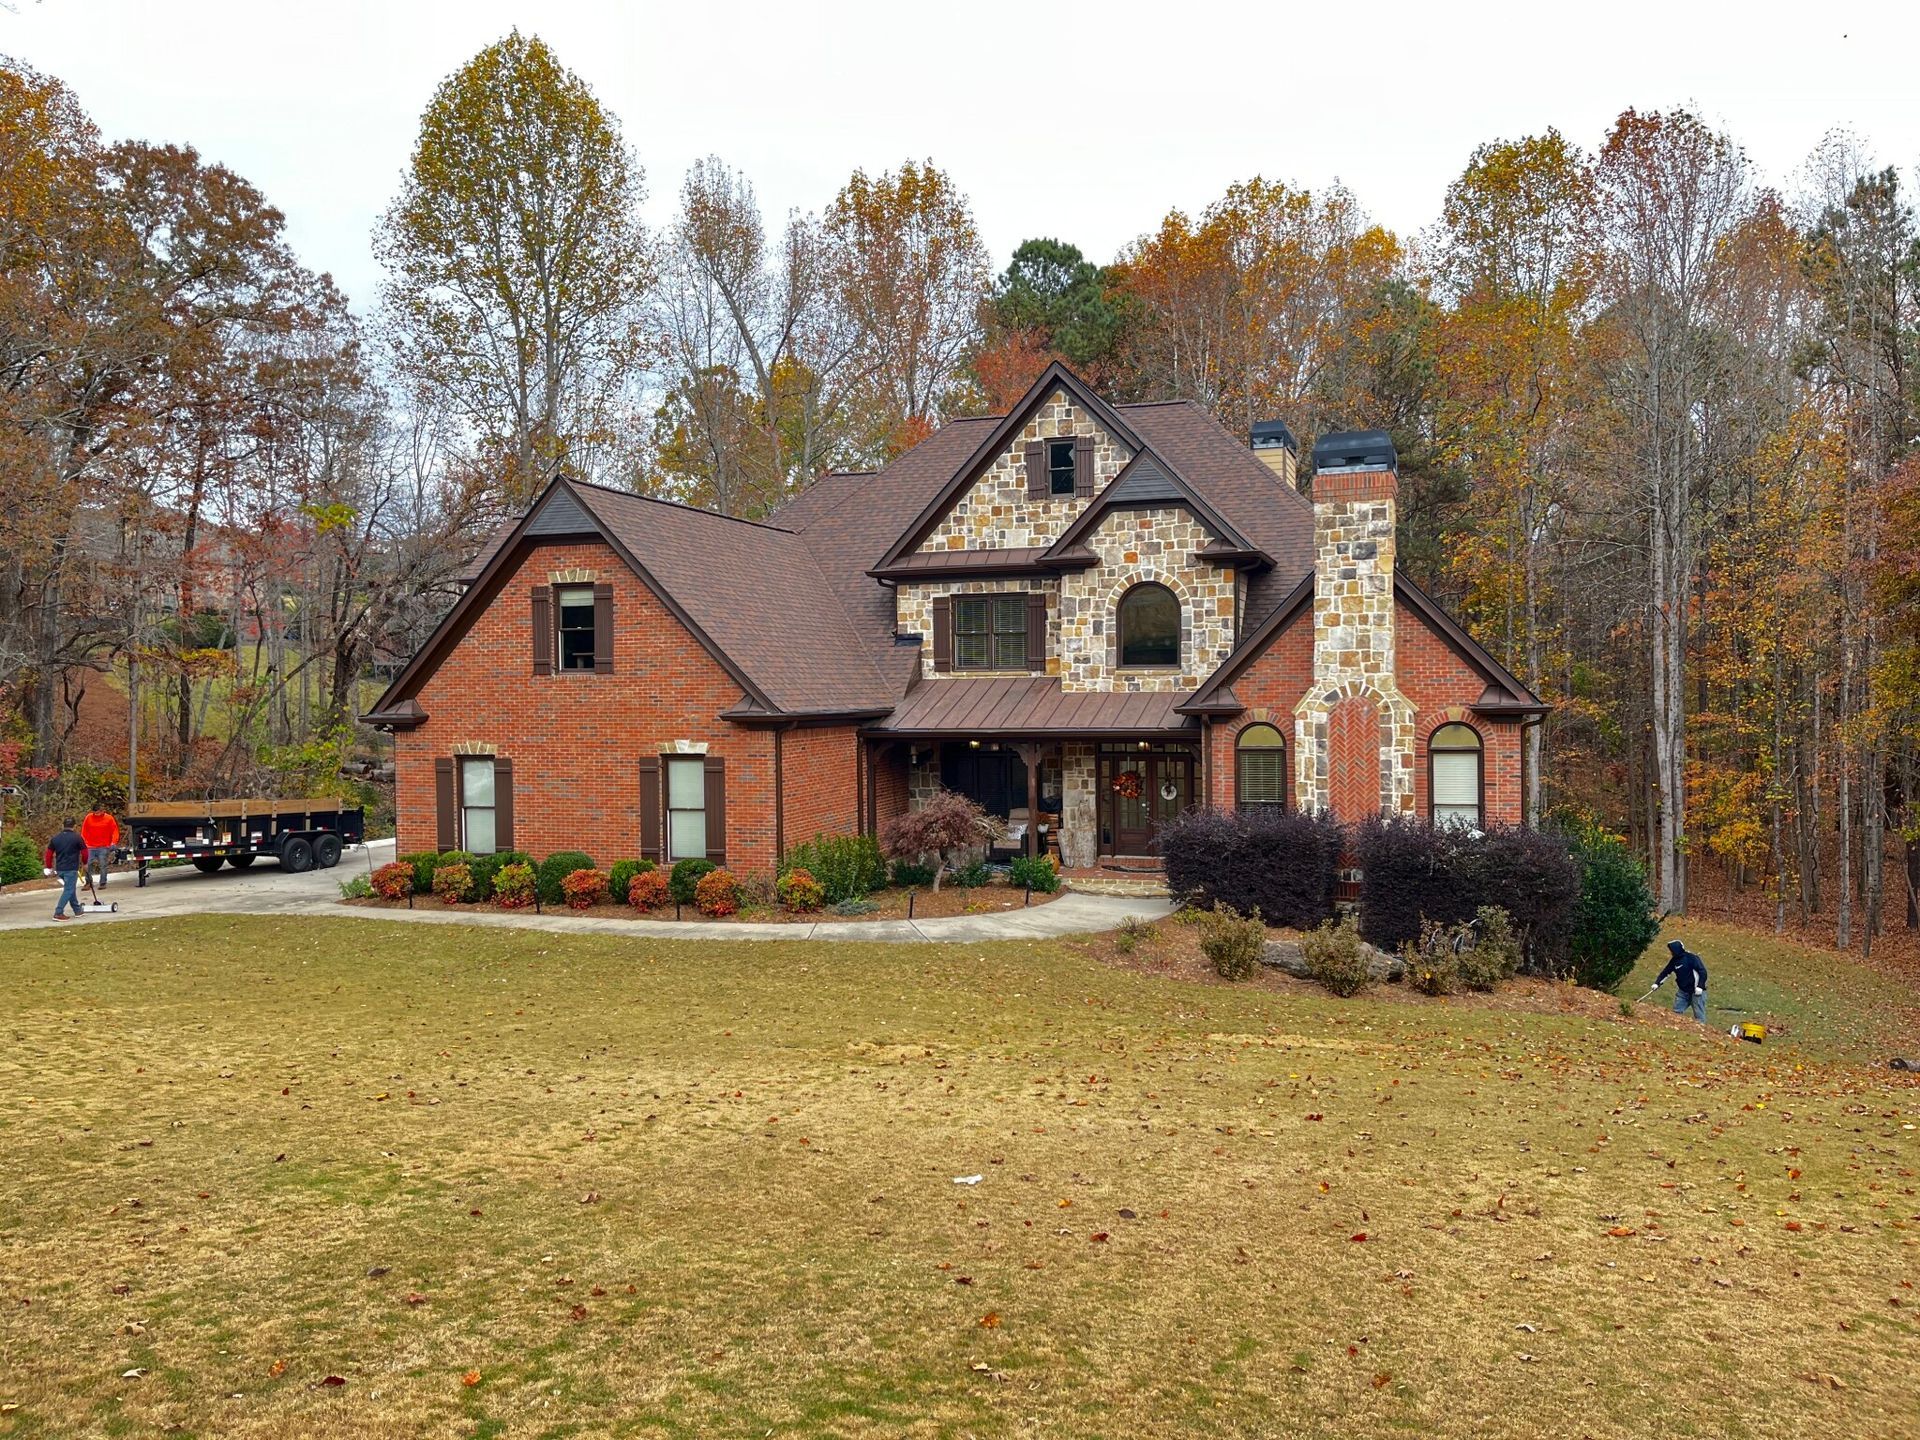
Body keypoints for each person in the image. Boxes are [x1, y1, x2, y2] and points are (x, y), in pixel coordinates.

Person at [42, 819, 89, 921]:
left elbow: (49, 854)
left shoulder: (55, 838)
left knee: (70, 888)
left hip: (60, 869)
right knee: (69, 890)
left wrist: (49, 866)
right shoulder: (77, 838)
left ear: (63, 825)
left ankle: (77, 910)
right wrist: (85, 863)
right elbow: (85, 852)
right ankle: (58, 912)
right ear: (74, 826)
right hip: (71, 868)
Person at [1654, 938, 1708, 1023]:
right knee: (1676, 1013)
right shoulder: (1674, 961)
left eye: (1672, 950)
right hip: (1683, 992)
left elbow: (1703, 972)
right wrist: (1657, 983)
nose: (1671, 952)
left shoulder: (1692, 958)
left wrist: (1700, 986)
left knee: (1699, 1017)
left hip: (1697, 992)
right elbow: (1666, 972)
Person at [80, 805, 119, 889]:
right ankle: (88, 882)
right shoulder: (88, 818)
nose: (97, 814)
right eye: (95, 813)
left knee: (103, 864)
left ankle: (103, 882)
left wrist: (113, 842)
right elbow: (84, 831)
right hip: (90, 846)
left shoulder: (109, 818)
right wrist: (83, 843)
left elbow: (115, 831)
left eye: (98, 812)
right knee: (87, 864)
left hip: (104, 846)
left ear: (102, 811)